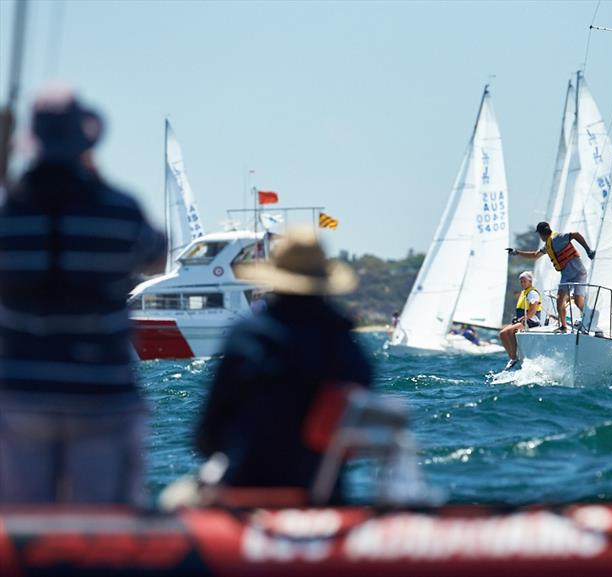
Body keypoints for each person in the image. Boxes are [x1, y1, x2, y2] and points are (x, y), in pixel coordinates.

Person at [0, 85, 166, 504]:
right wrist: (98, 180)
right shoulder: (119, 211)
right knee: (104, 534)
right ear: (86, 143)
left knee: (23, 530)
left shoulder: (8, 219)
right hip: (102, 397)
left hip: (21, 396)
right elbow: (157, 256)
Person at [196, 227, 372, 499]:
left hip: (248, 491)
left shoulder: (249, 336)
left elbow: (207, 435)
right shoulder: (346, 346)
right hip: (325, 495)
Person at [508, 222, 595, 333]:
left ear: (541, 234)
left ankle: (591, 318)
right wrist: (517, 252)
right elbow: (535, 256)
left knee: (577, 301)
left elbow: (576, 234)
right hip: (567, 276)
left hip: (578, 274)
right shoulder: (548, 245)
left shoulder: (557, 238)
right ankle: (564, 327)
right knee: (560, 302)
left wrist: (588, 251)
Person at [498, 271, 542, 370]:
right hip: (522, 321)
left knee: (510, 331)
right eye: (521, 282)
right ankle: (512, 357)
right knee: (502, 333)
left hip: (532, 322)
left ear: (530, 281)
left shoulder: (532, 293)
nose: (522, 284)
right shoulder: (524, 292)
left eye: (524, 281)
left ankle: (514, 358)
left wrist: (525, 318)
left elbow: (533, 310)